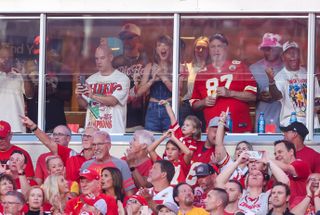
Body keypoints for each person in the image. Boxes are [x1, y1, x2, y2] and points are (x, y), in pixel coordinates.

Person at [190, 33, 257, 132]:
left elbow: (252, 96)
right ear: (209, 50)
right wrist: (203, 102)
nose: (216, 50)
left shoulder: (239, 67)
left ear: (226, 48)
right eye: (213, 47)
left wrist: (230, 93)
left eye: (219, 46)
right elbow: (194, 104)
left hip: (239, 128)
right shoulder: (202, 73)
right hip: (212, 131)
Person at [22, 115, 96, 181]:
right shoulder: (71, 155)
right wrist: (33, 127)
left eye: (89, 136)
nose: (85, 138)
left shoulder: (101, 160)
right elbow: (49, 142)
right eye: (84, 136)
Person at [75, 44, 130, 133]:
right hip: (93, 133)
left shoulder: (122, 79)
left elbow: (113, 101)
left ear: (111, 57)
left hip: (113, 133)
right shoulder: (90, 80)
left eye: (102, 58)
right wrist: (78, 96)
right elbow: (85, 105)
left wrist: (92, 96)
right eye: (96, 59)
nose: (99, 62)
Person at [215, 150, 290, 215]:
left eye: (258, 174)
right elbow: (219, 182)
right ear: (246, 179)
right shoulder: (239, 193)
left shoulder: (268, 195)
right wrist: (238, 162)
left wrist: (268, 161)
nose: (254, 175)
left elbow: (285, 182)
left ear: (264, 182)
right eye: (251, 174)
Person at [266, 41, 320, 127]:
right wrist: (271, 81)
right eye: (289, 53)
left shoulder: (309, 73)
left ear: (299, 55)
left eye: (295, 52)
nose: (293, 55)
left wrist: (315, 108)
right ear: (283, 57)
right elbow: (277, 96)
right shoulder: (280, 76)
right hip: (291, 121)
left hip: (312, 121)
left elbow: (317, 97)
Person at [25, 36, 72, 132]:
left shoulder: (61, 68)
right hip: (34, 119)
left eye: (44, 51)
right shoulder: (27, 68)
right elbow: (26, 95)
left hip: (55, 120)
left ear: (50, 50)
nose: (41, 56)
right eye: (38, 53)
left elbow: (68, 96)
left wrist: (54, 91)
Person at [112, 23, 149, 131]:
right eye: (123, 38)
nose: (126, 41)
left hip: (139, 118)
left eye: (129, 38)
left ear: (138, 39)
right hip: (119, 115)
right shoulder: (115, 62)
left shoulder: (145, 61)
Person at [80, 131, 136, 196]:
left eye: (100, 144)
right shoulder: (86, 165)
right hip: (91, 204)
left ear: (109, 145)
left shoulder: (121, 164)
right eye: (93, 145)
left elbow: (130, 193)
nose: (96, 148)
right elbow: (82, 192)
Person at [137, 35, 173, 132]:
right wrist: (151, 81)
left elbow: (178, 92)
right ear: (156, 49)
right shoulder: (150, 66)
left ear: (170, 48)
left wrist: (163, 77)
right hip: (153, 108)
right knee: (150, 139)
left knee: (171, 139)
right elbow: (139, 92)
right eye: (159, 45)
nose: (163, 48)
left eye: (166, 45)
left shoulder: (176, 66)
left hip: (170, 106)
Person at [249, 33, 283, 132]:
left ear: (280, 49)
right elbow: (247, 95)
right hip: (263, 117)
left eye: (273, 48)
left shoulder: (287, 68)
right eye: (267, 48)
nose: (270, 51)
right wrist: (259, 96)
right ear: (262, 50)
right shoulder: (254, 69)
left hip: (284, 118)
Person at [0, 43, 33, 132]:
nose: (6, 60)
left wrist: (24, 75)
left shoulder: (19, 76)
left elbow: (30, 95)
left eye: (9, 57)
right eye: (3, 57)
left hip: (17, 126)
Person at [179, 36, 209, 131]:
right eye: (197, 47)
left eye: (203, 48)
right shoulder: (187, 67)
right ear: (194, 49)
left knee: (202, 133)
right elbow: (181, 91)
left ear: (208, 51)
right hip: (188, 105)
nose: (200, 50)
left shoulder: (211, 69)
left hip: (204, 105)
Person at [273, 139, 311, 204]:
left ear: (291, 152)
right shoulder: (277, 170)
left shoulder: (301, 164)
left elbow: (287, 168)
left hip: (300, 209)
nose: (276, 156)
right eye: (275, 153)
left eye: (280, 152)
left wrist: (267, 160)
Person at [185, 117, 218, 187]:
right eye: (215, 132)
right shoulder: (193, 144)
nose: (218, 136)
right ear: (207, 130)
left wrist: (213, 167)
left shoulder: (218, 153)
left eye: (221, 134)